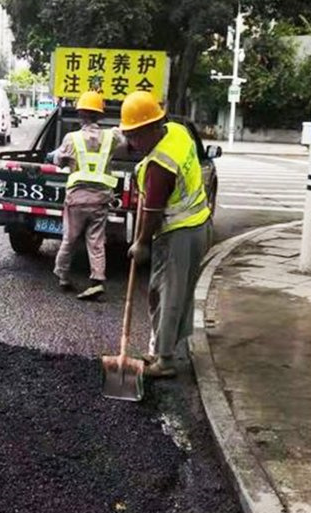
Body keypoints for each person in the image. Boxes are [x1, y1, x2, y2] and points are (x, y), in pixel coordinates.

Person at [120, 91, 212, 378]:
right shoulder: (177, 131)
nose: (132, 143)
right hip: (199, 224)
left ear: (150, 128)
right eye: (129, 135)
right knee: (179, 292)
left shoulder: (159, 166)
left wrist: (141, 243)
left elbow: (153, 211)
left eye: (135, 136)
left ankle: (165, 360)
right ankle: (170, 346)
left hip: (178, 233)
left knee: (165, 295)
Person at [50, 90, 128, 300]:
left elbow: (58, 160)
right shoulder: (111, 137)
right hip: (100, 199)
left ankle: (63, 276)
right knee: (96, 240)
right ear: (100, 115)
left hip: (76, 199)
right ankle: (97, 280)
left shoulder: (71, 138)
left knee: (70, 238)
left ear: (80, 114)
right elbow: (124, 144)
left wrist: (62, 157)